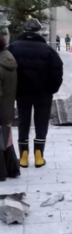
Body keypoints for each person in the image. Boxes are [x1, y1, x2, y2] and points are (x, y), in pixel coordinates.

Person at [7, 18, 63, 168]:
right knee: (41, 123)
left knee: (23, 122)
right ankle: (39, 156)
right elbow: (57, 71)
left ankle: (23, 156)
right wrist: (52, 89)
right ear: (39, 32)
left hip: (22, 93)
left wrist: (13, 89)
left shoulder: (13, 48)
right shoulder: (48, 50)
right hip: (43, 94)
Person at [0, 35, 20, 181]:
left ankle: (2, 172)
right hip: (7, 108)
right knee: (7, 141)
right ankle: (12, 169)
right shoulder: (8, 60)